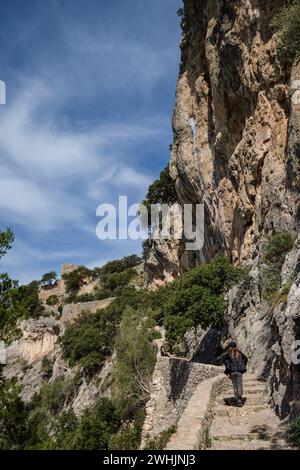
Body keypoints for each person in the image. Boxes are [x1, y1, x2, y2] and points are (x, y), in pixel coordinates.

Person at [223, 341, 248, 407]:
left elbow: (224, 360)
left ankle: (237, 399)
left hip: (232, 372)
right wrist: (243, 365)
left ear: (230, 347)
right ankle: (240, 399)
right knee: (239, 385)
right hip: (239, 372)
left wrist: (227, 367)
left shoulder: (228, 354)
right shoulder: (239, 353)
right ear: (236, 346)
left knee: (235, 386)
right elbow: (246, 358)